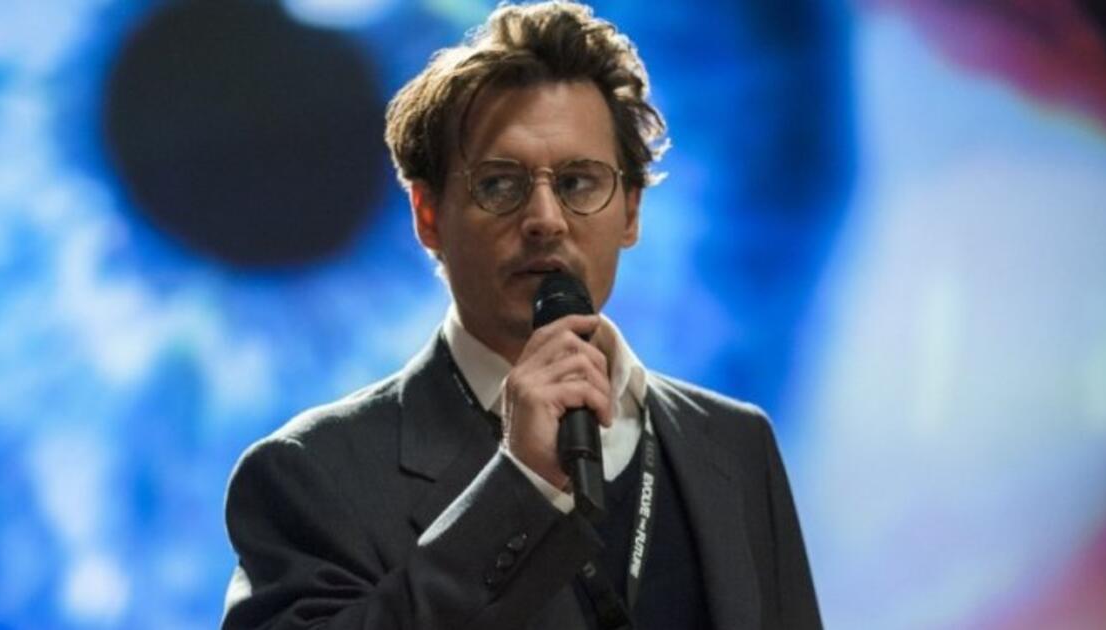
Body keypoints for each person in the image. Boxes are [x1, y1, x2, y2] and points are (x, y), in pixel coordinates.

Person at [221, 2, 821, 628]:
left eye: (579, 182)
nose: (545, 220)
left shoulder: (735, 444)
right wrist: (519, 487)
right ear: (428, 217)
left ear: (631, 211)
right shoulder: (310, 474)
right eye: (500, 184)